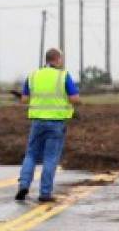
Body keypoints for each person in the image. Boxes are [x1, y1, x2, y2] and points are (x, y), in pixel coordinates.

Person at [15, 48, 81, 202]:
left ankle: (23, 185)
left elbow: (24, 100)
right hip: (57, 123)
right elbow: (74, 98)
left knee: (31, 154)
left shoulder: (33, 75)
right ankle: (45, 193)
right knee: (50, 158)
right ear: (57, 59)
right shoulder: (63, 75)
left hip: (37, 122)